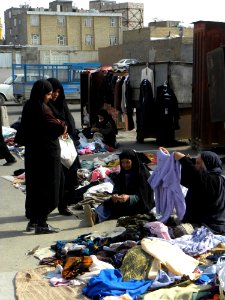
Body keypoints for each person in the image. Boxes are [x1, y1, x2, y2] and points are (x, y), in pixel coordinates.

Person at [20, 79, 67, 234]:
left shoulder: (29, 105)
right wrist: (63, 124)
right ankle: (42, 223)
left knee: (35, 187)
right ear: (42, 94)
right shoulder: (42, 108)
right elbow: (56, 126)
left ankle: (33, 221)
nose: (50, 96)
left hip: (33, 153)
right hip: (46, 154)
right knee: (50, 187)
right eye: (48, 93)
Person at [161, 147, 225, 235]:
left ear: (208, 164)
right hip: (201, 221)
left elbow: (193, 173)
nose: (196, 166)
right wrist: (170, 158)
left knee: (179, 231)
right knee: (168, 219)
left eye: (198, 163)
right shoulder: (211, 179)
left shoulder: (211, 180)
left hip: (209, 226)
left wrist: (182, 159)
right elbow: (191, 175)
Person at [84, 148, 155, 226]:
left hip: (141, 204)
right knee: (110, 202)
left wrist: (129, 197)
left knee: (119, 210)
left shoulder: (142, 173)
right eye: (123, 162)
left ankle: (96, 217)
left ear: (133, 161)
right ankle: (95, 216)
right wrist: (115, 194)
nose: (125, 165)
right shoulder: (123, 173)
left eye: (127, 162)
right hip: (124, 200)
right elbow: (118, 186)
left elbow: (144, 196)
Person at [47, 78, 80, 216]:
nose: (56, 94)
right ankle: (55, 206)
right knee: (58, 179)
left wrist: (67, 130)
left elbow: (70, 124)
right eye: (53, 91)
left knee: (70, 177)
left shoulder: (62, 105)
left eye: (59, 91)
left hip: (67, 146)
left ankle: (64, 204)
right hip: (54, 148)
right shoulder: (46, 107)